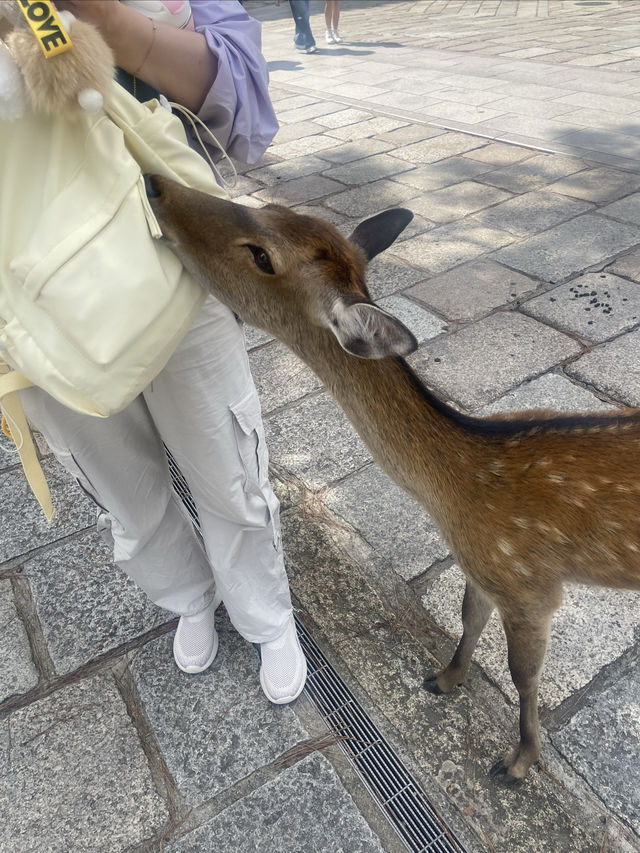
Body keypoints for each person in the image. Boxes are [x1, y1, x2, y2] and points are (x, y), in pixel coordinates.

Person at [17, 0, 307, 705]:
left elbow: (243, 110)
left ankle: (264, 611)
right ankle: (188, 595)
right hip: (24, 284)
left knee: (226, 460)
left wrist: (101, 24)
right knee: (120, 485)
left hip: (164, 241)